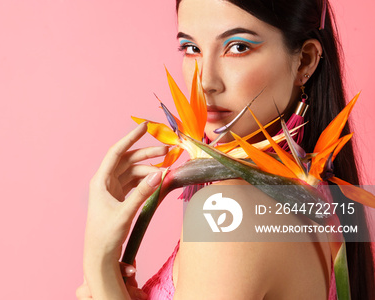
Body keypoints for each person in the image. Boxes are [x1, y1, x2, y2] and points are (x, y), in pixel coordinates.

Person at [76, 0, 374, 299]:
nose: (205, 82)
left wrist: (99, 261)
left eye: (238, 47)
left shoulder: (228, 212)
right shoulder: (321, 199)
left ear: (305, 61)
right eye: (192, 48)